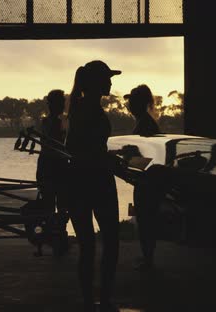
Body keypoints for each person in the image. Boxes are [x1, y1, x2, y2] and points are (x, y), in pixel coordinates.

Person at [65, 60, 121, 312]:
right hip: (98, 182)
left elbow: (75, 151)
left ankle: (89, 301)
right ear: (97, 83)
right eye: (107, 78)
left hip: (77, 184)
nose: (110, 82)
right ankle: (105, 299)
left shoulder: (77, 110)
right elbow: (90, 152)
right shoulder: (93, 113)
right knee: (110, 242)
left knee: (87, 246)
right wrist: (112, 160)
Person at [124, 84, 162, 271]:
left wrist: (128, 160)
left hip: (148, 182)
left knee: (146, 220)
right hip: (146, 180)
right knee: (146, 219)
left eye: (132, 101)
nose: (129, 104)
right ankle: (148, 257)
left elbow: (148, 158)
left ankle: (149, 259)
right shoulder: (144, 122)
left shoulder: (145, 125)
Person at [36, 89, 69, 255]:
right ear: (52, 104)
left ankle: (56, 236)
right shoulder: (54, 123)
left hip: (51, 166)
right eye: (60, 102)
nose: (63, 105)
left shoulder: (51, 122)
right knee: (57, 204)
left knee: (56, 204)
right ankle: (57, 236)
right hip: (54, 166)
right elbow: (55, 147)